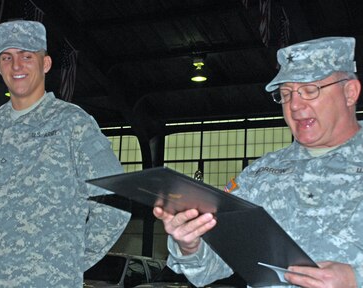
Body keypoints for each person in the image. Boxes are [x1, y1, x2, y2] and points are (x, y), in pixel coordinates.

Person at [154, 36, 363, 288]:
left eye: (310, 90)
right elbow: (210, 269)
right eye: (285, 94)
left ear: (350, 92)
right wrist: (190, 244)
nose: (295, 105)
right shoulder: (261, 175)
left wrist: (356, 279)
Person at [0, 20, 131, 287]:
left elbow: (116, 198)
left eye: (26, 56)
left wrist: (65, 262)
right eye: (7, 57)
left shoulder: (72, 125)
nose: (16, 66)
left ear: (45, 64)